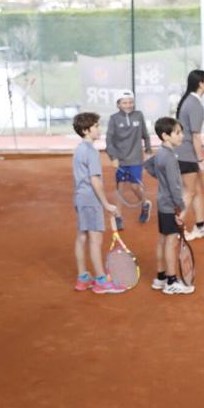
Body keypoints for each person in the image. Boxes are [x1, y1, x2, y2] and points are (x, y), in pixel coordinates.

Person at [70, 112, 124, 295]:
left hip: (80, 198)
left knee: (82, 237)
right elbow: (95, 181)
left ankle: (83, 278)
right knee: (95, 240)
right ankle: (101, 280)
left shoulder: (79, 149)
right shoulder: (91, 151)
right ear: (86, 130)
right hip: (91, 200)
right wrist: (107, 204)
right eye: (96, 126)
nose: (99, 129)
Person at [143, 117, 193, 295]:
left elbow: (148, 165)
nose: (182, 136)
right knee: (171, 242)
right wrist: (179, 208)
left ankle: (161, 277)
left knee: (163, 239)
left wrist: (161, 177)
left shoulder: (161, 153)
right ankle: (171, 281)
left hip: (162, 203)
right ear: (165, 136)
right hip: (170, 205)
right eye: (177, 133)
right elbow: (175, 187)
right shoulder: (170, 157)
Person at [176, 69, 204, 241]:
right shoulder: (195, 104)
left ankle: (200, 226)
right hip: (187, 155)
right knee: (190, 192)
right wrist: (200, 159)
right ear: (200, 83)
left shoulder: (189, 101)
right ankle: (176, 227)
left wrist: (202, 147)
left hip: (185, 152)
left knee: (198, 191)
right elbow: (194, 135)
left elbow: (189, 133)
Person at [106, 90, 153, 226]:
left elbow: (145, 135)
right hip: (120, 159)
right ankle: (118, 216)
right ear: (118, 104)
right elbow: (109, 140)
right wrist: (113, 157)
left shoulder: (139, 115)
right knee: (120, 187)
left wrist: (148, 150)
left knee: (134, 186)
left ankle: (145, 204)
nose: (128, 105)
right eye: (124, 103)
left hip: (136, 158)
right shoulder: (114, 118)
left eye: (130, 102)